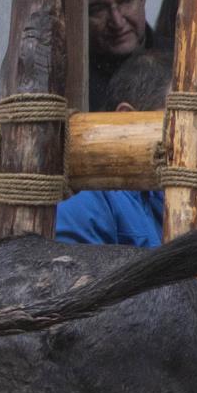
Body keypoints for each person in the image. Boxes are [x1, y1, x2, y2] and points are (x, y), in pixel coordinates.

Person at [56, 53, 177, 248]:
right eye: (176, 118)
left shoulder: (164, 194)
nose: (191, 135)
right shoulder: (87, 200)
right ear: (127, 119)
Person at [88, 0, 154, 112]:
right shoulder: (67, 82)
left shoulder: (181, 67)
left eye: (126, 0)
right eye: (98, 9)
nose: (117, 21)